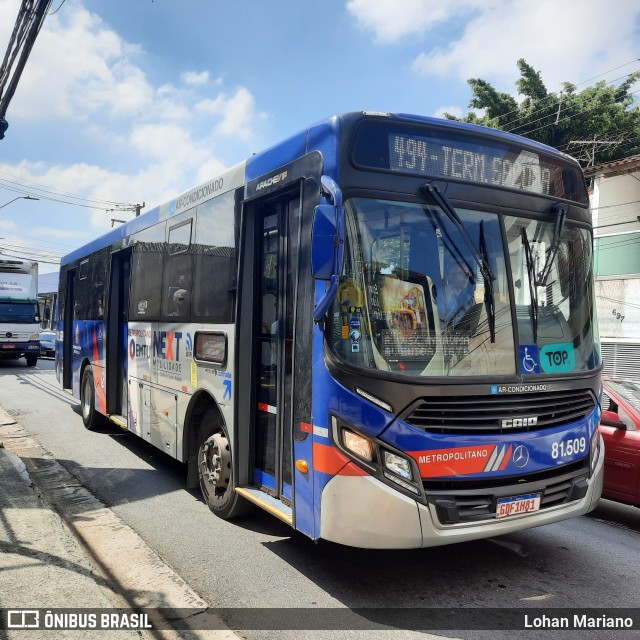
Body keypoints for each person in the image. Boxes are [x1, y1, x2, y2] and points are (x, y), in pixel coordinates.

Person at [439, 262, 476, 327]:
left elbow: (474, 319)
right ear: (451, 276)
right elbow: (439, 320)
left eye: (468, 275)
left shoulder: (470, 299)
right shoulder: (440, 295)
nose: (466, 278)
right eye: (463, 274)